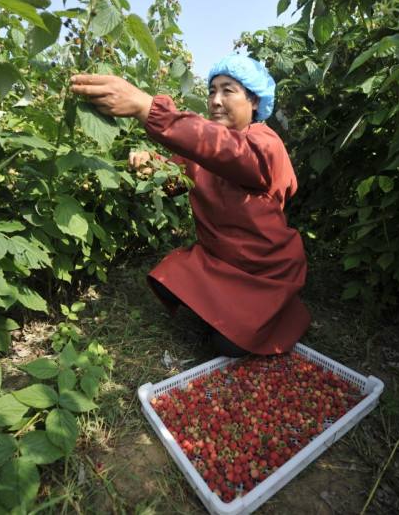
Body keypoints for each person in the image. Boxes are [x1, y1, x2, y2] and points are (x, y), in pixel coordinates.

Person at [70, 54, 310, 356]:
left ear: (254, 101)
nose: (216, 100)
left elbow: (229, 153)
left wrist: (147, 108)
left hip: (262, 269)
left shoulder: (264, 142)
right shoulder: (205, 150)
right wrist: (152, 166)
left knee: (230, 345)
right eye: (211, 91)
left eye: (228, 90)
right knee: (170, 278)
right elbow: (176, 175)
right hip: (221, 259)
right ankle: (227, 311)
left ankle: (279, 314)